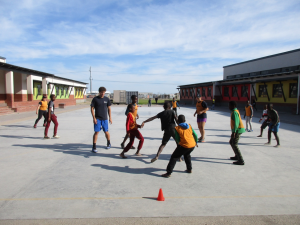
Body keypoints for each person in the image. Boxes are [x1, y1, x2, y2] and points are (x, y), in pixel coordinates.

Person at [91, 87, 112, 152]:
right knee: (96, 132)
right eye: (101, 92)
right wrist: (94, 118)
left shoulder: (107, 99)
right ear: (99, 92)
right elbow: (92, 108)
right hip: (97, 119)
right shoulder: (95, 99)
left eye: (103, 92)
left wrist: (110, 117)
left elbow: (109, 108)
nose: (102, 94)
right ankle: (94, 147)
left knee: (106, 132)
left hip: (105, 118)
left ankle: (108, 143)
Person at [229, 101, 245, 165]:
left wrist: (234, 132)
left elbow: (236, 123)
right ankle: (236, 156)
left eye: (229, 105)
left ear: (233, 106)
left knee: (234, 144)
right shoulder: (234, 111)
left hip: (238, 130)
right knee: (231, 142)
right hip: (236, 130)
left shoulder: (235, 112)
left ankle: (241, 160)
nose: (228, 107)